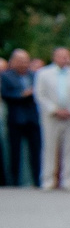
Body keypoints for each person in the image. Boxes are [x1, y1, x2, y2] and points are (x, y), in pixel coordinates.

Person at [36, 47, 70, 189]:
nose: (63, 59)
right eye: (60, 56)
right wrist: (54, 109)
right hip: (52, 116)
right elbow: (40, 95)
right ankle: (48, 180)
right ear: (54, 57)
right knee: (50, 148)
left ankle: (68, 180)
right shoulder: (44, 74)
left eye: (66, 56)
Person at [1, 49, 37, 187]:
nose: (24, 63)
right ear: (13, 61)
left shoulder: (34, 75)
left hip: (33, 118)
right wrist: (22, 94)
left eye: (26, 60)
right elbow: (5, 94)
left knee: (35, 151)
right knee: (14, 152)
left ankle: (36, 180)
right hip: (15, 118)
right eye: (20, 60)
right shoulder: (6, 76)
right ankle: (14, 181)